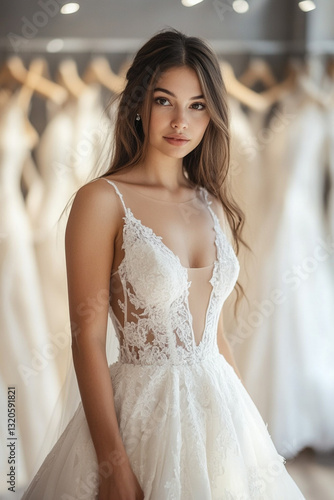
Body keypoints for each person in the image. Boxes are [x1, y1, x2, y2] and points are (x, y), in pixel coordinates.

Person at [22, 28, 306, 500]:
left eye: (197, 105)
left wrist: (248, 429)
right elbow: (87, 340)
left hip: (220, 410)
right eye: (164, 101)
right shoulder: (102, 201)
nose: (181, 121)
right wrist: (112, 465)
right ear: (138, 103)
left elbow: (212, 334)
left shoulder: (210, 202)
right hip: (140, 418)